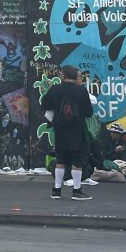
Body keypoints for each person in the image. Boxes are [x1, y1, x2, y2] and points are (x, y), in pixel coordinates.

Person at [42, 65, 94, 201]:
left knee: (60, 159)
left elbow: (44, 105)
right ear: (74, 76)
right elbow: (89, 112)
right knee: (77, 160)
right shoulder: (81, 91)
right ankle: (77, 190)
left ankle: (56, 190)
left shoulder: (54, 89)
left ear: (63, 75)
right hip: (77, 129)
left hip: (60, 129)